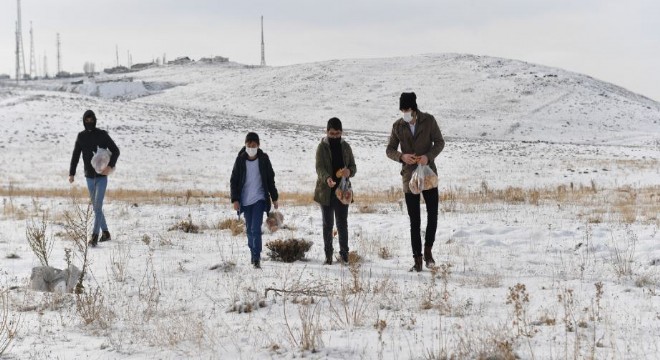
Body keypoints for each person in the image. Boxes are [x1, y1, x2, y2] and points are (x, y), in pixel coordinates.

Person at [386, 93, 444, 272]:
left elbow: (440, 142)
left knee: (433, 213)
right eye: (402, 110)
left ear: (414, 108)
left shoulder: (429, 121)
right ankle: (417, 260)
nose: (405, 113)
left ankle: (428, 252)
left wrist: (428, 157)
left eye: (407, 109)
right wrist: (402, 156)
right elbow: (389, 150)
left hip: (427, 174)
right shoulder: (397, 126)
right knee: (414, 220)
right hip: (409, 177)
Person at [69, 110, 120, 247]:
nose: (89, 122)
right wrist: (72, 173)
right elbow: (75, 155)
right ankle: (106, 233)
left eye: (92, 120)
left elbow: (116, 150)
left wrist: (110, 166)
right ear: (84, 121)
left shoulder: (102, 135)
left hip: (102, 177)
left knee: (97, 206)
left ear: (95, 120)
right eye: (87, 120)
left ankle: (94, 237)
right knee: (96, 208)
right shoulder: (81, 136)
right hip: (89, 177)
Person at [230, 132, 279, 269]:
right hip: (245, 201)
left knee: (255, 228)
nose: (251, 147)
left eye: (254, 145)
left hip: (259, 199)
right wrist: (235, 199)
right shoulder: (240, 160)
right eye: (249, 145)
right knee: (249, 231)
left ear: (258, 145)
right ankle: (253, 252)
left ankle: (256, 258)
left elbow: (270, 179)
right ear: (245, 145)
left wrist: (274, 198)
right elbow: (233, 181)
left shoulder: (263, 160)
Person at [314, 117, 357, 265]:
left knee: (342, 224)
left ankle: (344, 256)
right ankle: (328, 256)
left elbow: (353, 167)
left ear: (341, 132)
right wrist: (327, 179)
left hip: (342, 191)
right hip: (326, 191)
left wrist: (349, 172)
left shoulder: (346, 147)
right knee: (327, 224)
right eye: (332, 133)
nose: (335, 136)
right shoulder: (321, 147)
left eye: (338, 133)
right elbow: (319, 168)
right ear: (327, 132)